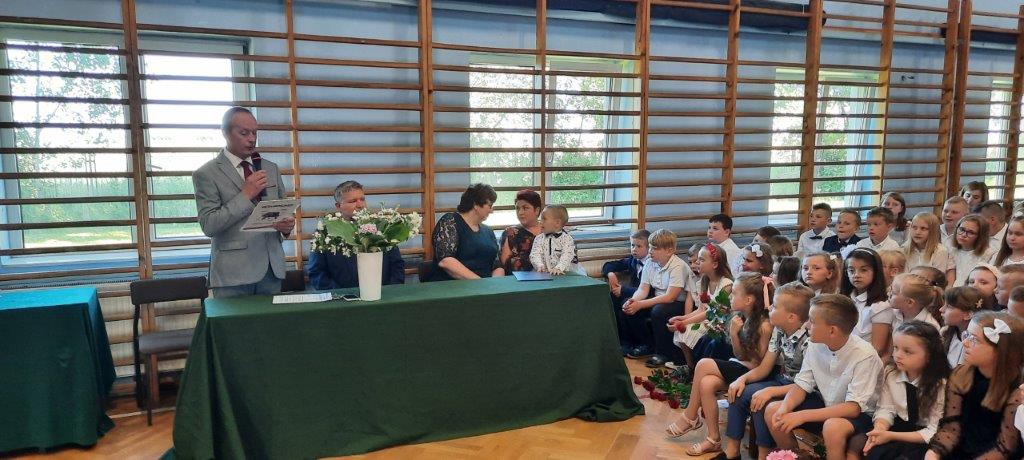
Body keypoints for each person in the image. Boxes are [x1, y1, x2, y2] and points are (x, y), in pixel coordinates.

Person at [664, 273, 774, 458]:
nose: (730, 297)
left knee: (703, 364)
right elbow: (739, 355)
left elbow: (760, 363)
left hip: (758, 374)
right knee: (706, 383)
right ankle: (714, 439)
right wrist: (734, 334)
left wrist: (737, 336)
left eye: (735, 293)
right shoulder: (741, 318)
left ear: (748, 300)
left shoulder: (765, 326)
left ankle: (690, 416)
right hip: (742, 366)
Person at [764, 294, 884, 456]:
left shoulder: (864, 355)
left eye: (812, 321)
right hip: (826, 403)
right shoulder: (815, 344)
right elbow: (801, 385)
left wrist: (802, 415)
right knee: (774, 411)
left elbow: (853, 408)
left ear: (832, 330)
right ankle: (794, 456)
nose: (806, 324)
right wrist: (785, 408)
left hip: (860, 415)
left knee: (832, 427)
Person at [193, 107, 293, 298]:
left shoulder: (270, 168)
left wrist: (286, 226)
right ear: (225, 133)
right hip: (233, 274)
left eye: (255, 132)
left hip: (272, 271)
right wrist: (245, 195)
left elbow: (281, 210)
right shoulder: (206, 174)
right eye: (244, 133)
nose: (251, 139)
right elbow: (209, 225)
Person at [720, 282, 814, 460]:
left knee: (762, 400)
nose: (769, 307)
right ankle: (732, 451)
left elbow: (807, 385)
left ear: (791, 317)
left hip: (803, 391)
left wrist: (769, 391)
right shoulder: (779, 329)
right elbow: (764, 367)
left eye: (775, 306)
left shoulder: (809, 341)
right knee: (739, 391)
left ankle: (764, 454)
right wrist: (742, 379)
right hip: (784, 381)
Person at [926, 312, 1024, 459]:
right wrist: (934, 452)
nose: (964, 343)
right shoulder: (961, 375)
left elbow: (1005, 447)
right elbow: (951, 428)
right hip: (961, 450)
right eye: (967, 335)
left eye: (974, 340)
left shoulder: (1018, 390)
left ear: (1001, 351)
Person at [855, 321, 950, 460]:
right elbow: (886, 409)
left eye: (907, 351)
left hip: (925, 439)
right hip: (899, 428)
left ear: (929, 355)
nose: (897, 355)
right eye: (895, 348)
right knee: (874, 453)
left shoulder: (941, 384)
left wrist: (890, 436)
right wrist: (880, 429)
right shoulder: (892, 373)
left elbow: (934, 431)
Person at [307, 181, 405, 290]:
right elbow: (316, 273)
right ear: (339, 206)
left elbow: (397, 265)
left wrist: (391, 290)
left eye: (362, 199)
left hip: (382, 294)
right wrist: (341, 293)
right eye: (353, 201)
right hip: (341, 296)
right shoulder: (324, 233)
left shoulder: (381, 228)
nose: (360, 205)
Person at [622, 229, 692, 368]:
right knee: (628, 306)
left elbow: (670, 297)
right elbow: (643, 289)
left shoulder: (678, 266)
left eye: (655, 248)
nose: (650, 251)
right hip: (659, 299)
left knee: (659, 311)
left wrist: (641, 304)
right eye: (650, 247)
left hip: (678, 303)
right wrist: (633, 301)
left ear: (669, 251)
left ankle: (664, 353)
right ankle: (647, 345)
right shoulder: (650, 263)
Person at [429, 183, 503, 281]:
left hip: (485, 286)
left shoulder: (488, 231)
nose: (491, 210)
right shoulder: (450, 222)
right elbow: (446, 261)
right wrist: (481, 283)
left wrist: (495, 284)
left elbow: (497, 265)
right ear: (476, 205)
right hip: (453, 286)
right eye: (490, 205)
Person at [604, 229, 652, 355]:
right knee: (612, 297)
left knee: (626, 304)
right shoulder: (632, 261)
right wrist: (610, 274)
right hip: (635, 295)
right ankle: (621, 340)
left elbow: (649, 290)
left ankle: (645, 343)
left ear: (649, 248)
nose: (634, 249)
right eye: (632, 245)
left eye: (639, 246)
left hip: (649, 299)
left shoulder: (652, 264)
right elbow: (609, 265)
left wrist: (623, 290)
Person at [842, 247, 894, 358]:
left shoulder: (881, 306)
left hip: (864, 359)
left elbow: (877, 348)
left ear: (876, 272)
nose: (856, 275)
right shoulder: (844, 299)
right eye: (851, 270)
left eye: (864, 270)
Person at [529, 205, 584, 276]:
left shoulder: (567, 239)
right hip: (544, 274)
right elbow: (534, 254)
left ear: (557, 223)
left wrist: (559, 268)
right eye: (541, 219)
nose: (540, 222)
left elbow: (567, 255)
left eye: (544, 219)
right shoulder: (538, 239)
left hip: (564, 274)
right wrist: (539, 265)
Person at [903, 212, 955, 286]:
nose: (917, 232)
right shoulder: (904, 248)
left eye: (923, 229)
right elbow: (903, 275)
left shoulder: (940, 251)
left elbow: (936, 279)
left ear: (933, 231)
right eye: (914, 227)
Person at [499, 189, 543, 273]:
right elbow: (505, 264)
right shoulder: (510, 233)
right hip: (518, 279)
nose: (520, 212)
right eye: (517, 208)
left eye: (525, 208)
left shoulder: (549, 231)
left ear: (537, 210)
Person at [940, 286, 985, 368]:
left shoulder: (976, 342)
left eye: (949, 307)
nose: (941, 309)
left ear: (968, 315)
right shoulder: (945, 332)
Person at [949, 214, 994, 287]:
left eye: (970, 232)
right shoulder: (952, 250)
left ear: (980, 236)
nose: (964, 235)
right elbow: (950, 280)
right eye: (961, 229)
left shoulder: (989, 254)